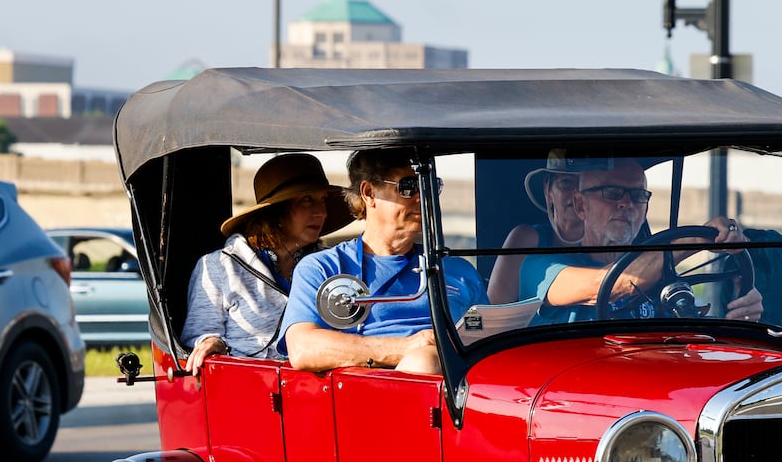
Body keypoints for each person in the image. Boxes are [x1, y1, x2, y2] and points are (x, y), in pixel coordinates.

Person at [281, 148, 486, 374]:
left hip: (468, 394)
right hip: (369, 397)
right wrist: (408, 348)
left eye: (429, 186)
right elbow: (302, 348)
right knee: (426, 362)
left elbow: (491, 337)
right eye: (408, 187)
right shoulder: (323, 269)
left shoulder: (459, 270)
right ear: (369, 193)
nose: (422, 197)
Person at [519, 157, 764, 326]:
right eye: (612, 193)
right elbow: (609, 285)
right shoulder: (540, 268)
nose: (626, 204)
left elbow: (689, 342)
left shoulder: (663, 280)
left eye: (638, 196)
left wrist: (741, 310)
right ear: (581, 205)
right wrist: (697, 238)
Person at [180, 153, 352, 374]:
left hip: (319, 389)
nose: (322, 212)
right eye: (307, 200)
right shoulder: (219, 266)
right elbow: (199, 335)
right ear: (276, 211)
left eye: (323, 200)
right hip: (247, 387)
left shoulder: (332, 265)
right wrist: (213, 342)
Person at [485, 151, 586, 304]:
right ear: (548, 190)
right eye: (566, 182)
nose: (576, 193)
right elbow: (494, 308)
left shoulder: (612, 241)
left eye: (583, 183)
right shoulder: (527, 239)